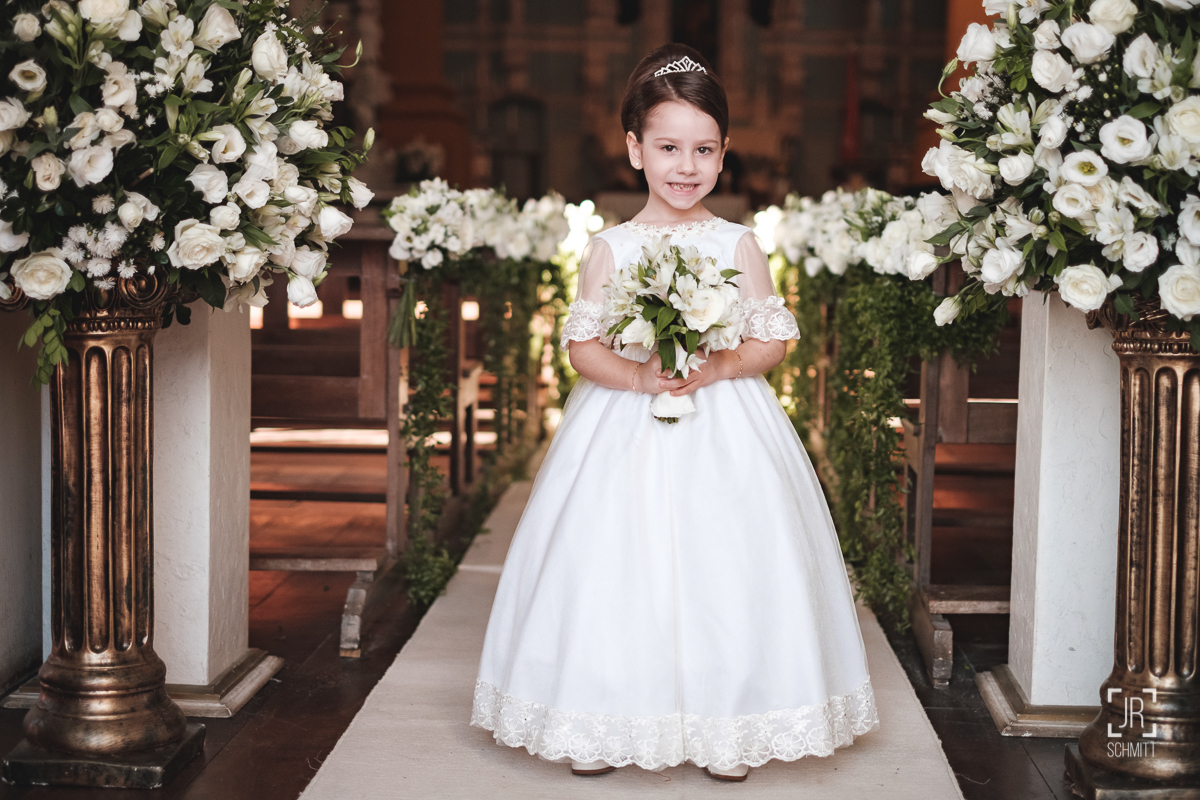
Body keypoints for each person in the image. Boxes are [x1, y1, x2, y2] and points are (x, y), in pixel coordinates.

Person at [470, 42, 879, 783]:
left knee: (730, 561)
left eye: (704, 149)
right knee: (613, 563)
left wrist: (719, 363)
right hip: (626, 420)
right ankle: (598, 718)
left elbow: (770, 341)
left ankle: (731, 724)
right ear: (635, 148)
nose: (685, 167)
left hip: (726, 423)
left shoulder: (738, 243)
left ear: (724, 155)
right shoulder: (611, 249)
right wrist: (636, 375)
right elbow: (583, 349)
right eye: (668, 148)